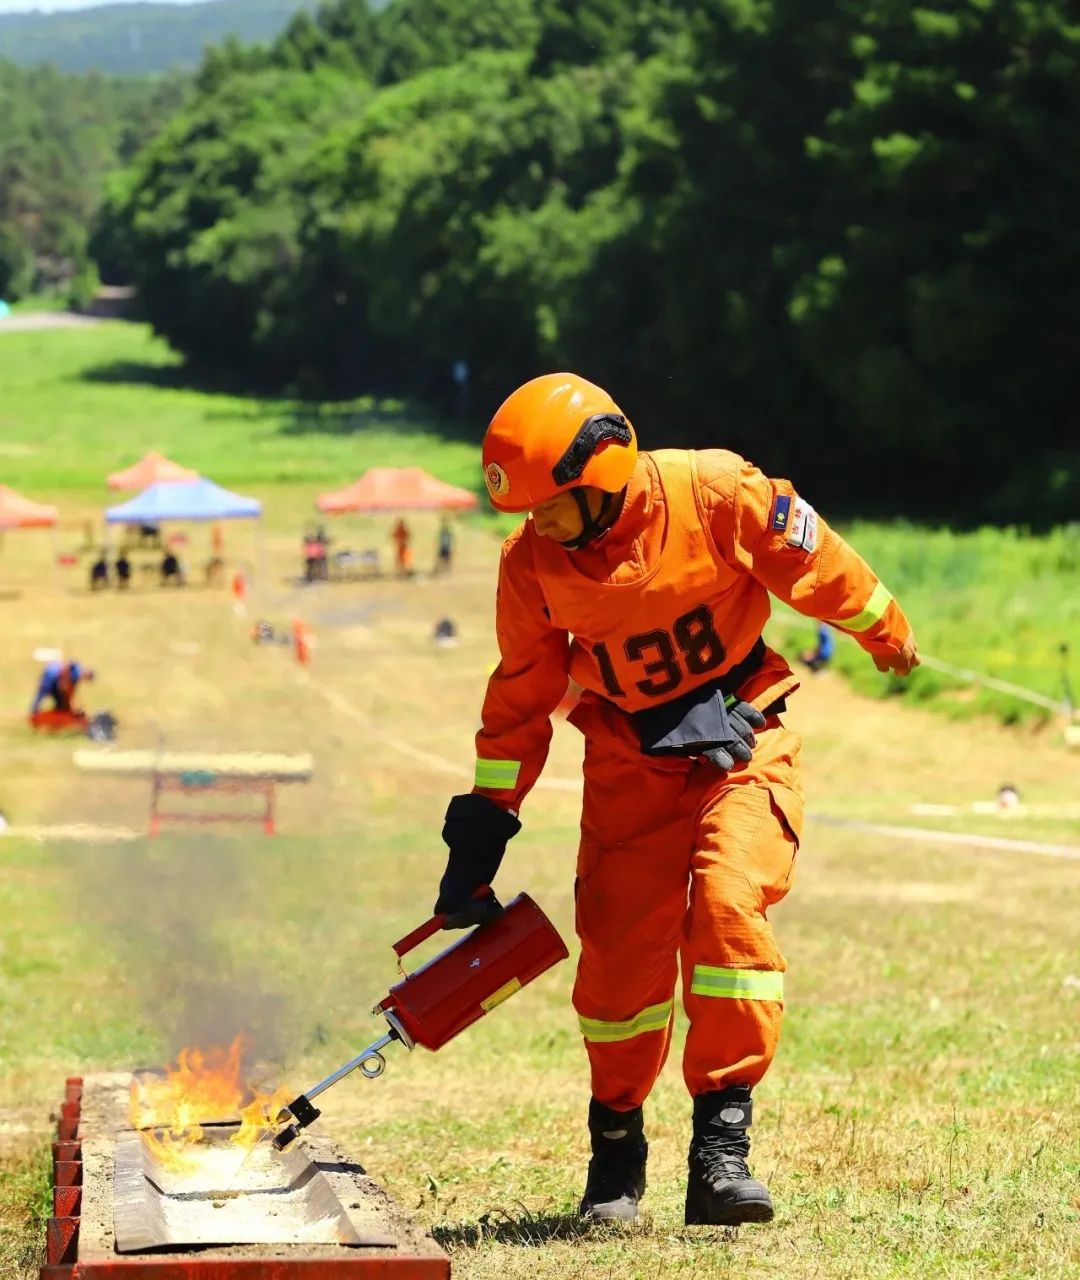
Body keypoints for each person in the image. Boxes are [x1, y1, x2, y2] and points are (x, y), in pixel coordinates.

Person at [432, 373, 919, 1229]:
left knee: (730, 910)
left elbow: (815, 560)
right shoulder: (532, 565)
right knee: (620, 959)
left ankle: (721, 1154)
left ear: (604, 471)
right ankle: (616, 1153)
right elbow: (519, 700)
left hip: (743, 732)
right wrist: (482, 831)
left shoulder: (716, 490)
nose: (535, 524)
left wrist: (882, 627)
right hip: (629, 758)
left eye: (550, 505)